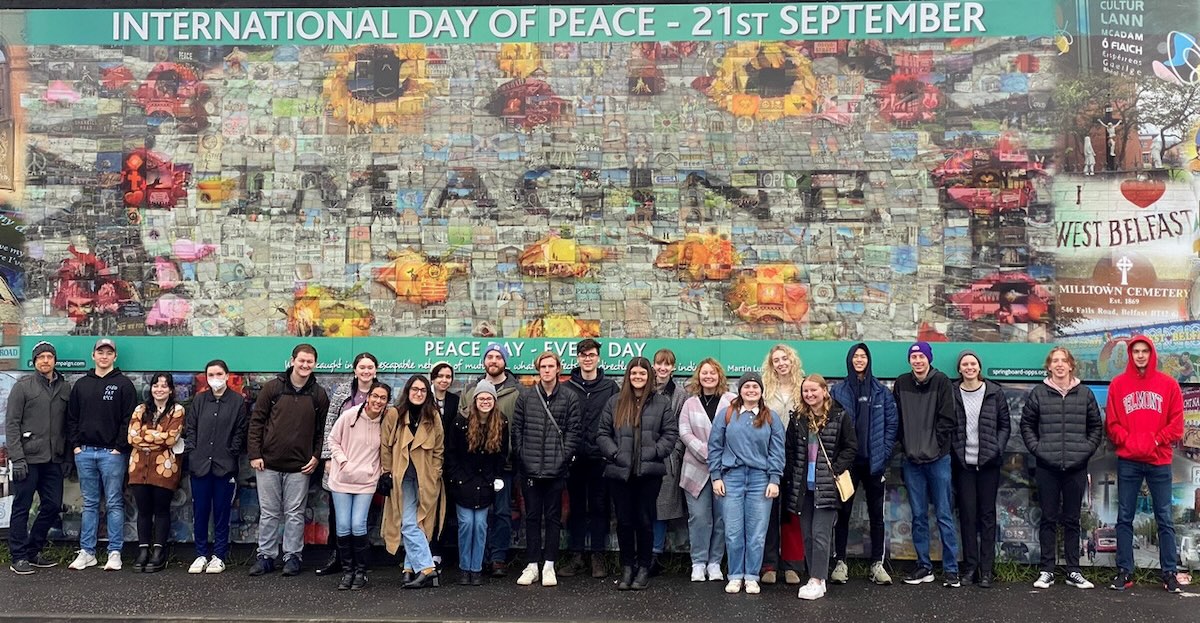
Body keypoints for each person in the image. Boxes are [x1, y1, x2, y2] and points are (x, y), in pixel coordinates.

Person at [1104, 336, 1186, 594]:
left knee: (1164, 518)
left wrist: (1155, 440)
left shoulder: (1169, 385)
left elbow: (1177, 424)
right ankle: (1125, 572)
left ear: (1152, 354)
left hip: (1159, 460)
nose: (1140, 356)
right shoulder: (1118, 384)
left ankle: (1169, 573)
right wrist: (1130, 441)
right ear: (1130, 354)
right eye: (1136, 351)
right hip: (1129, 460)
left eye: (1144, 351)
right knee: (1125, 517)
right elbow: (1112, 424)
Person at [1020, 346, 1102, 591]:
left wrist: (1083, 452)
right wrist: (1040, 450)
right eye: (1054, 361)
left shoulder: (1085, 394)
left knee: (1072, 520)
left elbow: (1096, 428)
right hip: (1047, 467)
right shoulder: (1038, 393)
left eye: (1063, 361)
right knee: (1048, 518)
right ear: (1049, 366)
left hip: (1076, 467)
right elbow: (1027, 426)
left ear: (1070, 365)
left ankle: (1073, 571)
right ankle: (1047, 570)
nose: (1059, 365)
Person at [247, 343, 332, 577]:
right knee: (269, 512)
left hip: (300, 466)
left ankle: (293, 556)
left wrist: (316, 456)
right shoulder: (273, 388)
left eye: (310, 362)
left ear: (314, 364)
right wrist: (254, 454)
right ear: (292, 360)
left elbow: (322, 431)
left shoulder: (318, 394)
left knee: (295, 513)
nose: (305, 365)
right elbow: (256, 422)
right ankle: (265, 556)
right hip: (268, 463)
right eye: (301, 360)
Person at [597, 357, 679, 590]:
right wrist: (615, 455)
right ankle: (627, 567)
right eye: (634, 374)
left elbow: (670, 434)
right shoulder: (615, 402)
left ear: (649, 376)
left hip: (648, 473)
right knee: (623, 522)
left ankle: (643, 567)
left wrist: (653, 452)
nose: (638, 378)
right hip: (620, 472)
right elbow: (602, 434)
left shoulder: (661, 403)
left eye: (642, 374)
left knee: (644, 521)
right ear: (628, 376)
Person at [709, 372, 785, 595]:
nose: (751, 390)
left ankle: (751, 576)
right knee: (733, 531)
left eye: (755, 387)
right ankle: (735, 575)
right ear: (740, 390)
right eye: (746, 387)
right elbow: (714, 446)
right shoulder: (727, 414)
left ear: (761, 391)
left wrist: (774, 479)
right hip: (731, 477)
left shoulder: (771, 417)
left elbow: (777, 451)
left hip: (760, 480)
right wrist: (716, 476)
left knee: (757, 532)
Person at [893, 341, 960, 587]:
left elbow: (948, 419)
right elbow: (897, 418)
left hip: (938, 459)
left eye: (922, 356)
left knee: (944, 514)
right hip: (912, 461)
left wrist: (934, 446)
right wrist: (906, 445)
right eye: (914, 357)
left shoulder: (941, 381)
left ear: (929, 359)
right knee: (919, 516)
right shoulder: (901, 383)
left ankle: (951, 570)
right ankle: (924, 566)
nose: (918, 360)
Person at [67, 338, 138, 571]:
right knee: (89, 504)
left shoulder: (124, 385)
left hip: (112, 454)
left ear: (115, 357)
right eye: (100, 352)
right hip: (85, 452)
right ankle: (87, 551)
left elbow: (129, 420)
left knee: (114, 503)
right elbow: (72, 418)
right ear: (93, 355)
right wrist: (76, 446)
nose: (104, 356)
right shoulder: (81, 385)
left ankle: (114, 552)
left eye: (109, 353)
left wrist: (119, 447)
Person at [785, 374, 857, 600]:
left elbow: (850, 447)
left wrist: (835, 468)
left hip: (826, 487)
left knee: (820, 535)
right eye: (805, 391)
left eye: (813, 390)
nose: (809, 395)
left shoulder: (839, 415)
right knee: (806, 535)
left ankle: (817, 580)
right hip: (803, 487)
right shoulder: (797, 417)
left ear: (825, 390)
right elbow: (790, 450)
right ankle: (816, 578)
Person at [512, 351, 581, 587]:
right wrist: (522, 457)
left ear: (558, 369)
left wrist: (563, 458)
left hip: (556, 470)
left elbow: (574, 432)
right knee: (531, 518)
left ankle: (549, 564)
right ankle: (532, 565)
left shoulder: (570, 398)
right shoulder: (526, 397)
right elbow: (517, 431)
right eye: (543, 366)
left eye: (551, 366)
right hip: (530, 469)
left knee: (553, 518)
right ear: (538, 369)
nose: (547, 370)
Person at [830, 343, 897, 585]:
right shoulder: (838, 391)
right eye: (855, 356)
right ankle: (840, 563)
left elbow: (892, 426)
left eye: (863, 356)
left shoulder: (881, 391)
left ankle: (877, 564)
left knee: (876, 515)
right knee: (843, 513)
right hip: (848, 465)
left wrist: (885, 453)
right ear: (850, 360)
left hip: (874, 464)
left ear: (868, 360)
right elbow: (831, 426)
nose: (859, 360)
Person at [6, 341, 71, 575]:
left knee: (52, 506)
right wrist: (17, 458)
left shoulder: (65, 388)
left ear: (55, 360)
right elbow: (11, 424)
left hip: (54, 459)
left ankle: (33, 550)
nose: (45, 360)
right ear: (34, 362)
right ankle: (19, 556)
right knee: (21, 508)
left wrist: (67, 458)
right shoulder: (23, 387)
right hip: (28, 459)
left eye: (49, 357)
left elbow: (67, 425)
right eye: (41, 357)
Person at [316, 352, 382, 578]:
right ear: (355, 370)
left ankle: (361, 563)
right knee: (339, 517)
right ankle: (339, 558)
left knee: (362, 518)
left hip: (367, 468)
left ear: (376, 370)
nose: (366, 371)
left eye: (370, 367)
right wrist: (327, 458)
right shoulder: (343, 393)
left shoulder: (381, 395)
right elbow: (329, 425)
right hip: (340, 464)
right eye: (362, 367)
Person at [460, 344, 522, 578]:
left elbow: (518, 427)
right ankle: (479, 558)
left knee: (503, 512)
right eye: (490, 356)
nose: (493, 360)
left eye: (498, 357)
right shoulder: (470, 390)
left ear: (505, 361)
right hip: (474, 467)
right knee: (477, 512)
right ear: (484, 361)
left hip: (503, 465)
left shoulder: (516, 391)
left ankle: (498, 558)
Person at [950, 351, 1010, 588]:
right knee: (967, 515)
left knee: (987, 516)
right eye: (965, 364)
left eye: (973, 363)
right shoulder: (953, 392)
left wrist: (997, 448)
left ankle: (987, 570)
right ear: (960, 369)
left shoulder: (994, 392)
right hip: (963, 464)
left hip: (988, 463)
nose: (969, 367)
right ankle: (970, 567)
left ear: (979, 367)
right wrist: (955, 450)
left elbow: (1005, 425)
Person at [380, 375, 446, 589]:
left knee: (420, 523)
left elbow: (439, 449)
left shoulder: (433, 416)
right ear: (407, 391)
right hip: (403, 477)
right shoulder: (394, 414)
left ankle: (409, 568)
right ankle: (428, 569)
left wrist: (435, 473)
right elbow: (385, 446)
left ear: (428, 394)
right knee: (408, 523)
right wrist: (387, 472)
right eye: (415, 389)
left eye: (423, 390)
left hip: (426, 478)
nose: (418, 393)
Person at [562, 339, 618, 579]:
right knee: (575, 507)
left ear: (598, 358)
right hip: (574, 457)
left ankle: (597, 555)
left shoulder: (610, 387)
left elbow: (617, 421)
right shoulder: (567, 387)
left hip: (600, 457)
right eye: (583, 355)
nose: (587, 359)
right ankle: (576, 556)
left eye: (592, 355)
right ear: (577, 358)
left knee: (599, 507)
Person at [185, 359, 247, 575]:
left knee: (222, 513)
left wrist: (231, 452)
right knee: (200, 512)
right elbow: (190, 428)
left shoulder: (237, 401)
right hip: (200, 466)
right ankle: (200, 554)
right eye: (210, 375)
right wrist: (193, 451)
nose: (215, 378)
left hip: (224, 466)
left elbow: (241, 430)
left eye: (219, 374)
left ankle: (219, 556)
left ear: (227, 375)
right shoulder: (200, 400)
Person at [445, 380, 509, 586]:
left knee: (480, 525)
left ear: (494, 401)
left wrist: (495, 478)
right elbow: (451, 454)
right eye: (481, 398)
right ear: (474, 400)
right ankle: (465, 568)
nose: (485, 401)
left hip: (486, 481)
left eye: (489, 398)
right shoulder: (460, 422)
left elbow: (502, 454)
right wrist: (457, 478)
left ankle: (477, 568)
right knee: (466, 524)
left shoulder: (501, 422)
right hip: (463, 481)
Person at [327, 382, 390, 590]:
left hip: (366, 481)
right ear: (368, 396)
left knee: (358, 525)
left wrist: (380, 471)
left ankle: (361, 572)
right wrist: (342, 461)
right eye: (375, 396)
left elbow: (388, 448)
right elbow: (333, 440)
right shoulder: (350, 415)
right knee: (343, 525)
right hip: (342, 478)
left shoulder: (386, 421)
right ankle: (348, 571)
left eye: (383, 398)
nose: (378, 401)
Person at [678, 358, 734, 582]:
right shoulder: (690, 403)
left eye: (712, 373)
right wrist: (706, 452)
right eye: (704, 373)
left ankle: (714, 563)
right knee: (699, 517)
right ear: (698, 377)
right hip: (696, 468)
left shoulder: (731, 401)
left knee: (722, 518)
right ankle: (698, 563)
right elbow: (684, 431)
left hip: (726, 470)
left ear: (719, 376)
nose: (708, 376)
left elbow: (737, 431)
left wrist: (719, 456)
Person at [126, 372, 186, 573]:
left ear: (171, 389)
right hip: (138, 467)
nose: (159, 389)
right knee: (143, 511)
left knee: (161, 510)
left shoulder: (177, 411)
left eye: (164, 386)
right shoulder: (140, 409)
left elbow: (171, 438)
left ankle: (159, 552)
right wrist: (156, 438)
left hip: (164, 468)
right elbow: (132, 437)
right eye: (155, 385)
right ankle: (143, 550)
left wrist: (147, 437)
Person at [760, 343, 805, 585]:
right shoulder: (765, 390)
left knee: (792, 513)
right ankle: (768, 565)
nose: (781, 363)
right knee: (768, 512)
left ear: (792, 360)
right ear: (771, 365)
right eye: (776, 360)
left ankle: (792, 565)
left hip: (797, 458)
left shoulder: (803, 388)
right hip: (769, 458)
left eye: (785, 358)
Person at [649, 348, 687, 575]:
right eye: (659, 364)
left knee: (661, 510)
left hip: (667, 458)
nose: (663, 368)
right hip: (643, 455)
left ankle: (656, 553)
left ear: (673, 368)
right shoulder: (644, 389)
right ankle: (641, 553)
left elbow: (683, 428)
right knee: (643, 507)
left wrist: (676, 453)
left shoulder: (680, 395)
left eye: (667, 365)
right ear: (654, 366)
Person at [429, 361, 459, 570]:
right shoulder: (424, 398)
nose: (444, 380)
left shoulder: (455, 401)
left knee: (444, 511)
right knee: (426, 509)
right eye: (440, 376)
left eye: (448, 377)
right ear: (433, 378)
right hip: (426, 463)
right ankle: (424, 552)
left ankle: (438, 553)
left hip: (448, 463)